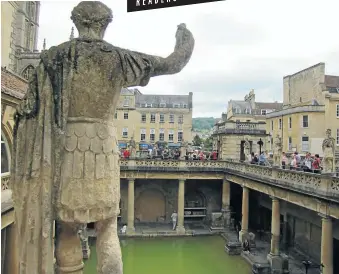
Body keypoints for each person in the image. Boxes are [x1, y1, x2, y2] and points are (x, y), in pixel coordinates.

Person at [10, 1, 195, 273]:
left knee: (68, 227)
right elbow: (173, 63)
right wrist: (185, 38)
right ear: (106, 23)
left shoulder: (54, 58)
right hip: (103, 148)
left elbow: (28, 109)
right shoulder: (117, 58)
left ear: (76, 21)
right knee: (108, 227)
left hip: (67, 149)